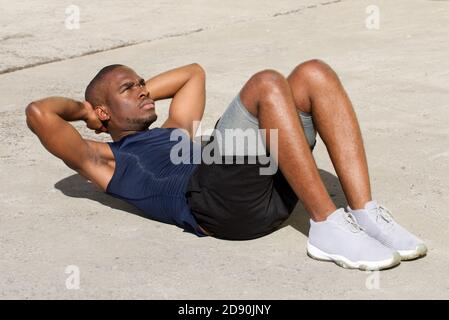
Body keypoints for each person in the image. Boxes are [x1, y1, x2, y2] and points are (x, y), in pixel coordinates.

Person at [25, 61, 427, 271]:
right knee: (266, 83)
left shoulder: (175, 130)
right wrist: (86, 112)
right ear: (102, 110)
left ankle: (364, 213)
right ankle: (326, 225)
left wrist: (133, 91)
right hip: (217, 207)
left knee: (313, 74)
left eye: (143, 82)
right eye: (129, 88)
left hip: (268, 193)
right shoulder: (106, 160)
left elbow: (192, 74)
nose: (144, 89)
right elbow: (39, 114)